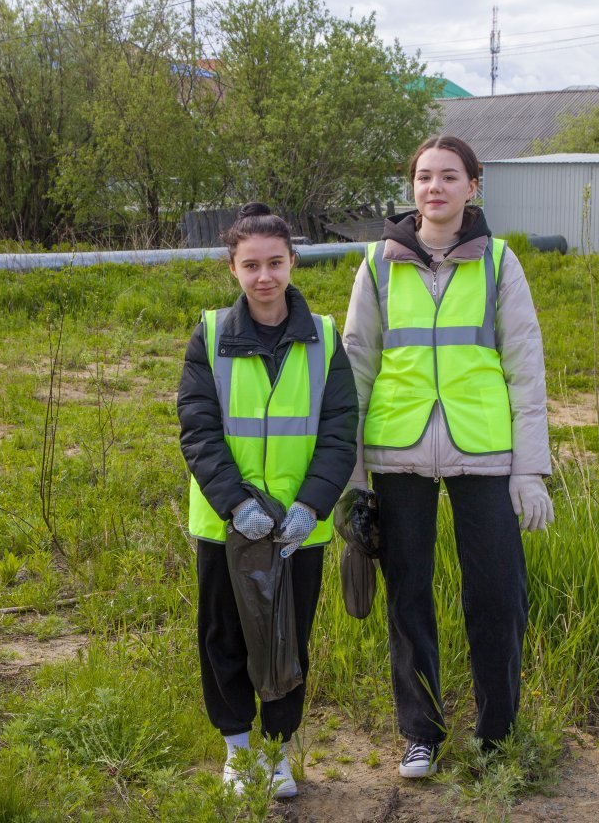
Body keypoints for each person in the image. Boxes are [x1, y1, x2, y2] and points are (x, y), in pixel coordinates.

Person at [343, 136, 553, 778]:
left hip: (484, 453)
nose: (434, 188)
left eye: (449, 176)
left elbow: (525, 366)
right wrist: (352, 477)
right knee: (409, 597)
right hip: (397, 453)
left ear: (473, 187)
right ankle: (421, 734)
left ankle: (496, 735)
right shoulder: (378, 265)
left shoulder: (498, 264)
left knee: (497, 596)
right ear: (412, 188)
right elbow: (354, 366)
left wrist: (529, 469)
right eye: (424, 177)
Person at [178, 202, 358, 798]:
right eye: (250, 265)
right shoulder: (208, 336)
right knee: (224, 635)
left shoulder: (327, 339)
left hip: (297, 529)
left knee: (288, 641)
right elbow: (198, 429)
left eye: (275, 263)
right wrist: (234, 504)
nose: (264, 277)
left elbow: (338, 431)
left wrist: (312, 505)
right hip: (225, 526)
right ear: (232, 268)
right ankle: (238, 751)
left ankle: (279, 753)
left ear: (293, 262)